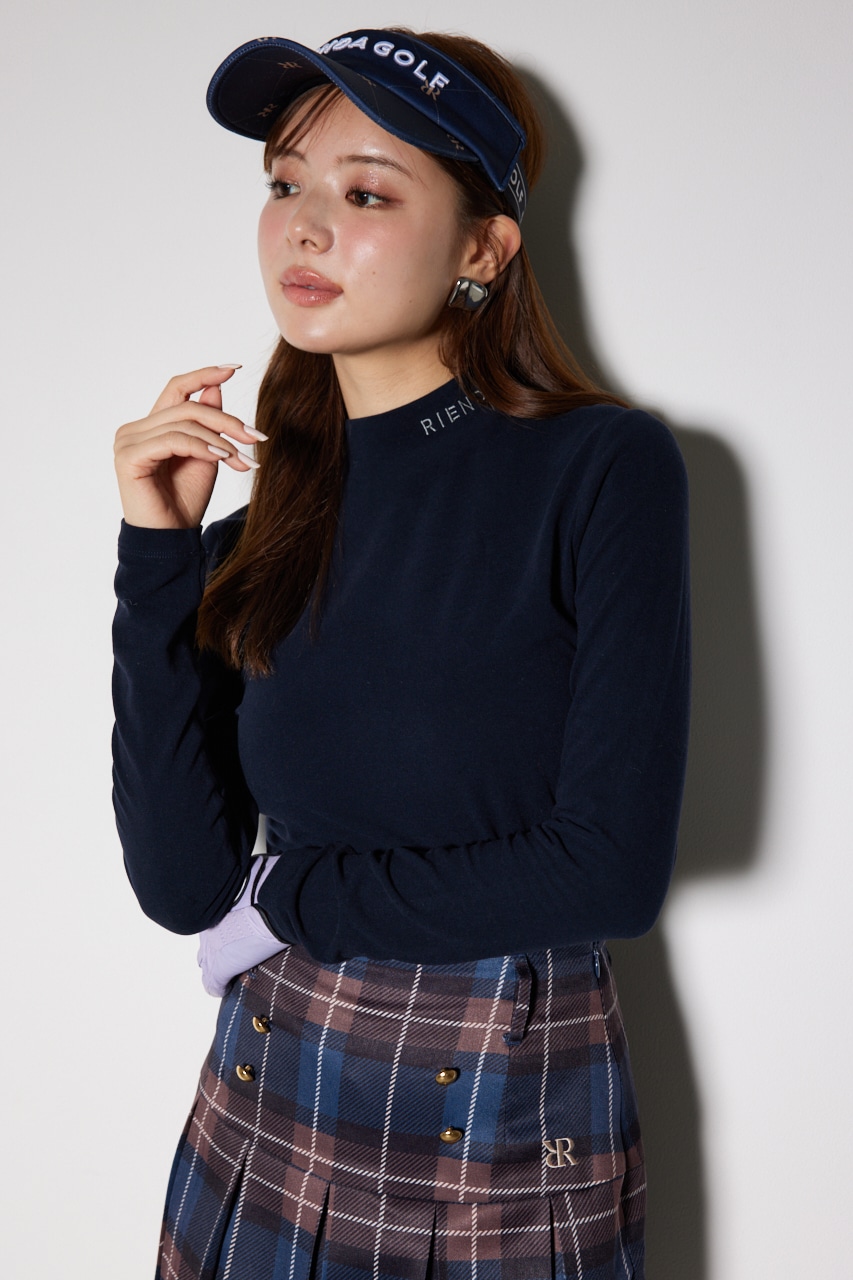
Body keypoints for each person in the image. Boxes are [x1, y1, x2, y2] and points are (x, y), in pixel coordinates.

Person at [112, 26, 690, 1280]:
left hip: (492, 1093)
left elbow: (608, 871)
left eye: (367, 192)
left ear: (484, 249)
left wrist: (290, 899)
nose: (305, 226)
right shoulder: (262, 531)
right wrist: (156, 553)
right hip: (266, 1081)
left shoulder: (600, 466)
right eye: (285, 183)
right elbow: (181, 887)